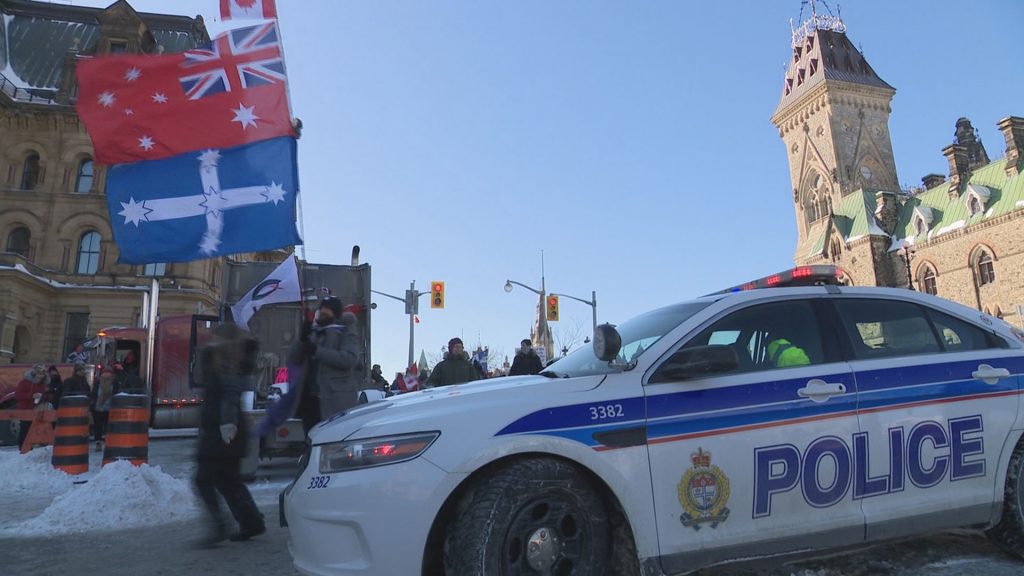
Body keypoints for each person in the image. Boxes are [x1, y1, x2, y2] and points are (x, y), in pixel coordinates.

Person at [194, 323, 265, 547]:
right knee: (228, 480)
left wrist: (226, 423)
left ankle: (219, 527)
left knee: (204, 479)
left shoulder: (227, 362)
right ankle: (251, 522)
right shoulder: (224, 359)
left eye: (215, 336)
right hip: (227, 429)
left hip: (224, 430)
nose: (210, 339)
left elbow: (230, 395)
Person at [289, 296, 366, 434]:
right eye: (321, 308)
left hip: (334, 402)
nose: (323, 311)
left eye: (327, 309)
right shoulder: (315, 332)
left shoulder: (345, 331)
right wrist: (301, 339)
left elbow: (349, 359)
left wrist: (317, 351)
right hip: (311, 402)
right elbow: (294, 360)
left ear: (335, 313)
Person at [14, 364, 49, 449]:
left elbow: (43, 395)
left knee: (33, 428)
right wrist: (31, 395)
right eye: (39, 374)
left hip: (36, 409)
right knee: (25, 428)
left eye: (42, 375)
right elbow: (18, 395)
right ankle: (23, 447)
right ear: (34, 374)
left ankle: (31, 446)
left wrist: (43, 400)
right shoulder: (24, 382)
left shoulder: (41, 384)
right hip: (25, 409)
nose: (40, 377)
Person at [91, 371, 116, 452]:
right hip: (99, 409)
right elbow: (93, 395)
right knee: (99, 428)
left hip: (106, 409)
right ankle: (100, 443)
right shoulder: (99, 385)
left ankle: (104, 443)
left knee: (103, 427)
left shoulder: (112, 386)